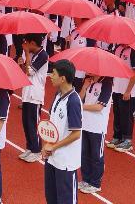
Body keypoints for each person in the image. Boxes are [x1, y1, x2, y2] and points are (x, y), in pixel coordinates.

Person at [43, 60, 82, 204]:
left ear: (63, 78)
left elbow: (76, 133)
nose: (50, 76)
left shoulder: (73, 101)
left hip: (65, 161)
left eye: (53, 73)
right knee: (51, 198)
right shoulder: (57, 95)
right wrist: (46, 144)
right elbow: (52, 124)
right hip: (52, 158)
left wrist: (53, 146)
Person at [79, 75, 113, 194]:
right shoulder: (88, 80)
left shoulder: (107, 84)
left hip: (97, 126)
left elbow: (99, 107)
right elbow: (80, 99)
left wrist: (82, 107)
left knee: (96, 155)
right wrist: (84, 87)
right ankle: (86, 179)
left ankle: (95, 183)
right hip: (85, 124)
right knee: (84, 153)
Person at [18, 33, 48, 163]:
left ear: (33, 43)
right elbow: (25, 70)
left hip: (35, 94)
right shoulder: (34, 54)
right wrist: (21, 64)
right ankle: (30, 147)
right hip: (27, 92)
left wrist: (26, 53)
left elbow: (30, 71)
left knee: (33, 123)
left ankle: (36, 151)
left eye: (27, 43)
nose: (25, 45)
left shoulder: (43, 55)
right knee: (26, 122)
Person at [107, 44, 135, 152]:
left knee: (126, 115)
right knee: (117, 113)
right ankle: (117, 136)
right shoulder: (117, 48)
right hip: (117, 86)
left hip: (128, 90)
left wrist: (128, 91)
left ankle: (127, 140)